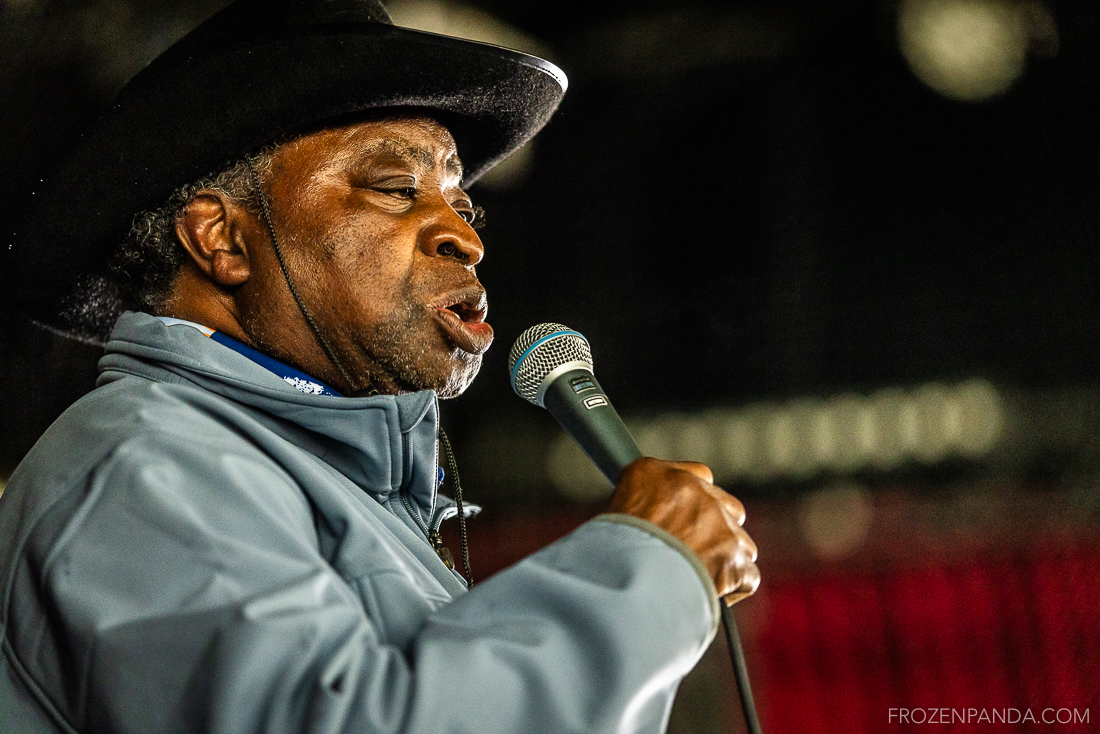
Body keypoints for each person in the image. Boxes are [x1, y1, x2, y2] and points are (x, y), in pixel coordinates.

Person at [0, 1, 760, 732]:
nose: (464, 237)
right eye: (397, 189)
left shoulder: (328, 490)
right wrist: (641, 573)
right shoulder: (141, 467)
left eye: (464, 204)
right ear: (222, 242)